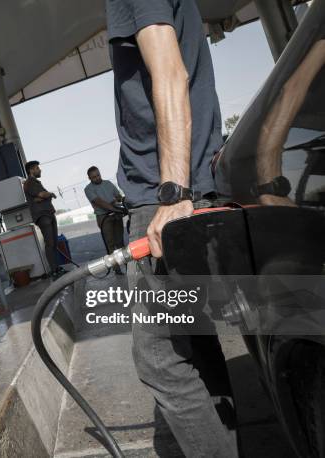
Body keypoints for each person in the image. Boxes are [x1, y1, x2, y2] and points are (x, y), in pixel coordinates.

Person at [106, 0, 238, 456]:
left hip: (165, 198)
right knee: (196, 345)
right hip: (186, 189)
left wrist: (173, 194)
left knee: (160, 360)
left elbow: (170, 74)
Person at [23, 160, 65, 279]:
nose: (40, 170)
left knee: (54, 243)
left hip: (49, 214)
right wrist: (49, 194)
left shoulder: (36, 182)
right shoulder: (29, 183)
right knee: (50, 243)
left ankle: (57, 268)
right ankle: (54, 271)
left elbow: (40, 197)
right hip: (43, 216)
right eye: (37, 168)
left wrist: (44, 196)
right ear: (31, 170)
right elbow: (41, 195)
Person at [83, 166, 126, 256]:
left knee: (120, 243)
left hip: (116, 215)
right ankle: (117, 269)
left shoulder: (108, 183)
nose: (97, 178)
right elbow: (100, 202)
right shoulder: (88, 189)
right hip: (104, 218)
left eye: (98, 175)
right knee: (110, 245)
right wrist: (116, 209)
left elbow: (118, 196)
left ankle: (127, 268)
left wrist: (121, 201)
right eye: (94, 177)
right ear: (89, 178)